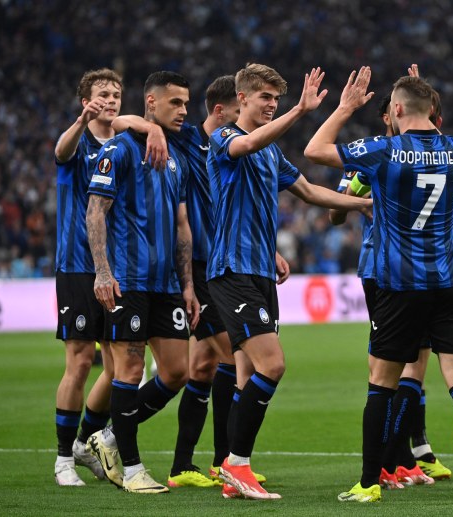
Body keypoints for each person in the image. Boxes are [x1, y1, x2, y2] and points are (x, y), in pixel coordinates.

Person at [306, 67, 453, 505]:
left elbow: (315, 150)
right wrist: (420, 89)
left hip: (398, 282)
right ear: (432, 109)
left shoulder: (383, 151)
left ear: (394, 110)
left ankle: (370, 482)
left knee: (381, 381)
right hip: (448, 281)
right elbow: (427, 117)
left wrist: (347, 106)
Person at [207, 63, 371, 500]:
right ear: (241, 99)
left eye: (276, 100)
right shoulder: (223, 139)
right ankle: (235, 464)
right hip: (231, 271)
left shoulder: (271, 154)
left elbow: (311, 192)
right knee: (272, 365)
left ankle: (236, 473)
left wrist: (369, 203)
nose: (271, 105)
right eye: (265, 98)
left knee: (248, 374)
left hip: (260, 272)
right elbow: (249, 142)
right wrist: (301, 110)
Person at [112, 75, 281, 490]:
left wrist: (267, 244)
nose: (183, 111)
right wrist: (150, 125)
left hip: (218, 264)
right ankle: (224, 461)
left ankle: (195, 462)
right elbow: (120, 121)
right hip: (207, 269)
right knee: (229, 358)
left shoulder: (231, 144)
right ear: (223, 111)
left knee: (204, 365)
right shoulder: (188, 139)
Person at [329, 69, 452, 487]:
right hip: (380, 269)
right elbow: (334, 213)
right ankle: (394, 457)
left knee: (414, 369)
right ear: (390, 117)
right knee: (393, 369)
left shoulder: (414, 149)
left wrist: (426, 90)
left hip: (413, 269)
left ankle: (403, 455)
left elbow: (436, 151)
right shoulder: (372, 157)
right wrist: (358, 198)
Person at [85, 70, 199, 494]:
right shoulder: (120, 149)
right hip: (127, 281)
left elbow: (182, 224)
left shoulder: (175, 159)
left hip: (166, 283)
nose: (184, 111)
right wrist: (102, 271)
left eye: (187, 103)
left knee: (176, 372)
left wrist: (186, 285)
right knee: (129, 370)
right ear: (151, 103)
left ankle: (109, 437)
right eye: (176, 103)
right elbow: (95, 211)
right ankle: (131, 469)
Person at [53, 68, 123, 486]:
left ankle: (85, 442)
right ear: (86, 100)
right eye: (102, 94)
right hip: (78, 266)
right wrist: (80, 121)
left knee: (121, 368)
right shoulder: (77, 144)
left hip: (117, 268)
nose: (111, 99)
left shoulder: (125, 145)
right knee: (80, 362)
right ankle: (63, 459)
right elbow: (60, 153)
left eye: (116, 93)